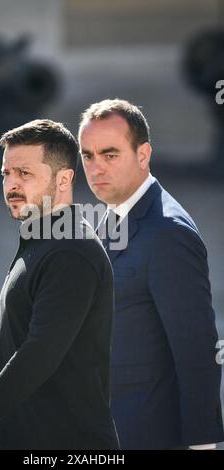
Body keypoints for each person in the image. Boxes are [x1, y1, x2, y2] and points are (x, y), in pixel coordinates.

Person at [0, 119, 119, 450]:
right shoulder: (43, 240)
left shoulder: (71, 253)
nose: (11, 184)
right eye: (6, 173)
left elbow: (39, 354)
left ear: (64, 179)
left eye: (24, 174)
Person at [78, 98, 224, 450]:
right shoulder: (112, 214)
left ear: (143, 155)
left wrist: (202, 445)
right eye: (88, 155)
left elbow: (198, 351)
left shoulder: (169, 233)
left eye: (110, 155)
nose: (96, 168)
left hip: (146, 434)